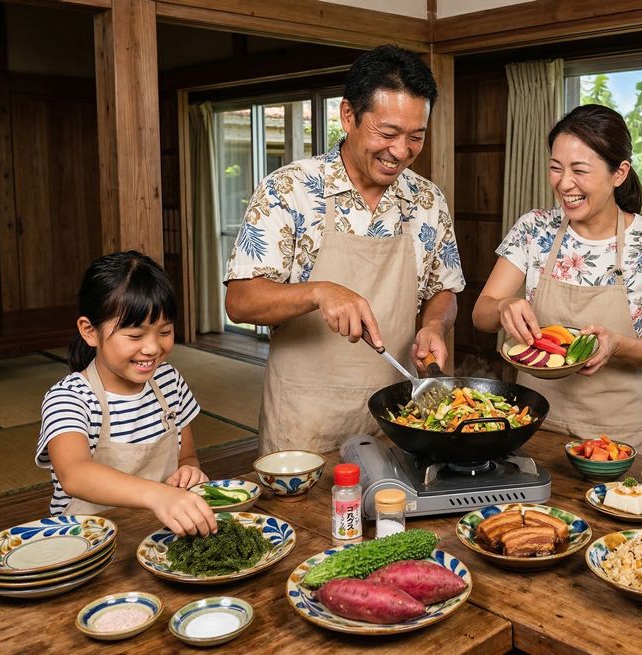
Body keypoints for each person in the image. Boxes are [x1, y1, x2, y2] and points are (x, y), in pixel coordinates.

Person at [224, 45, 465, 454]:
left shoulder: (428, 200)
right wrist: (319, 292)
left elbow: (444, 289)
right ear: (348, 116)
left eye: (416, 137)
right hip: (306, 425)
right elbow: (240, 301)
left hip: (402, 419)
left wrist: (434, 325)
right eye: (387, 134)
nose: (401, 151)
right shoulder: (289, 189)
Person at [472, 104, 642, 452]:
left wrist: (617, 344)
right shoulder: (534, 228)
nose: (564, 183)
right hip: (533, 423)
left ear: (619, 173)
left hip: (619, 435)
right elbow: (481, 314)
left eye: (580, 170)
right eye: (556, 168)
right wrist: (504, 307)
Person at [36, 251, 216, 537]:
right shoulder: (69, 398)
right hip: (84, 544)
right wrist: (158, 495)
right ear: (90, 331)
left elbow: (187, 458)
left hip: (160, 537)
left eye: (165, 331)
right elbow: (75, 474)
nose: (152, 348)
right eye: (135, 336)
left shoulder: (169, 381)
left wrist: (189, 472)